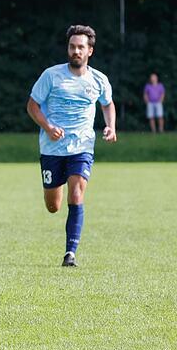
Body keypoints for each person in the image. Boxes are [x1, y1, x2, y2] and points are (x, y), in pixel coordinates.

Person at [26, 25, 117, 267]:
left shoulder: (98, 79)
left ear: (90, 51)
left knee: (76, 193)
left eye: (80, 47)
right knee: (53, 206)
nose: (75, 51)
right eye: (72, 46)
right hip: (52, 148)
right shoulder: (51, 76)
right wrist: (47, 127)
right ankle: (57, 190)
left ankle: (70, 254)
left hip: (82, 146)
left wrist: (110, 126)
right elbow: (32, 106)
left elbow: (107, 104)